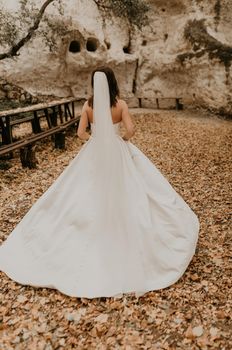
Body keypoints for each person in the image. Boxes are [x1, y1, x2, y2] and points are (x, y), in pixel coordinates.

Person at [0, 66, 199, 299]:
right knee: (132, 188)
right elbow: (131, 130)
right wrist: (119, 140)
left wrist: (96, 140)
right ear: (113, 82)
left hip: (95, 151)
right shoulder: (121, 105)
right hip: (117, 149)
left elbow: (80, 133)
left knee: (80, 191)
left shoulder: (88, 105)